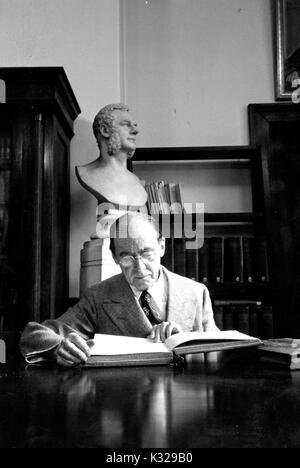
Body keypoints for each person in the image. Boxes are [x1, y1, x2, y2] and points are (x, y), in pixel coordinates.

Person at [20, 212, 218, 367]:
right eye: (127, 258)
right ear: (114, 257)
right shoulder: (98, 297)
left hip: (185, 408)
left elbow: (220, 351)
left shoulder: (196, 293)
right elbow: (33, 335)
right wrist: (59, 348)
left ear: (162, 247)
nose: (140, 269)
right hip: (124, 405)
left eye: (147, 254)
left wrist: (183, 340)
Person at [75, 103, 147, 208]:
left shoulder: (137, 182)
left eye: (134, 125)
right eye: (126, 124)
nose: (135, 131)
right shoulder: (85, 173)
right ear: (105, 131)